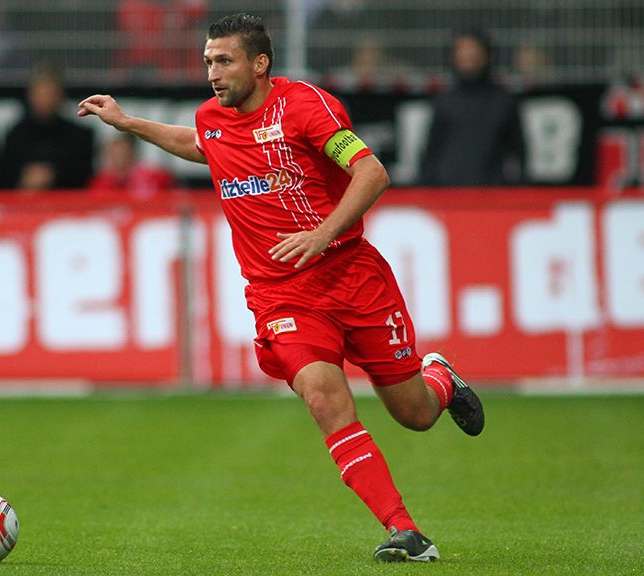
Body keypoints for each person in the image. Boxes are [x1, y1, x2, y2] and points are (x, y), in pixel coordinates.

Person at [78, 13, 484, 563]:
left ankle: (440, 379)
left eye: (224, 61)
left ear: (259, 63)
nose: (212, 73)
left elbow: (371, 172)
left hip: (352, 276)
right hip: (282, 296)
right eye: (207, 62)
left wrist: (322, 233)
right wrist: (129, 123)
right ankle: (405, 531)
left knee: (413, 413)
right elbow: (202, 145)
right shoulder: (213, 118)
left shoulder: (305, 108)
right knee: (323, 395)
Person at [420, 29, 523, 187]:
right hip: (448, 193)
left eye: (472, 50)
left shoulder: (503, 101)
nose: (467, 55)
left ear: (486, 54)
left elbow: (518, 152)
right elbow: (431, 151)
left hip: (493, 193)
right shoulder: (444, 100)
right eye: (462, 50)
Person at [0, 63, 93, 191]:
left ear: (60, 95)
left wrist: (52, 176)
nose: (45, 99)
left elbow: (85, 180)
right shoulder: (15, 134)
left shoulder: (79, 136)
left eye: (50, 93)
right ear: (30, 95)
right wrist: (24, 179)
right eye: (40, 93)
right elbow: (0, 178)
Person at [88, 133, 177, 199]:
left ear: (132, 151)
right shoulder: (101, 181)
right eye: (115, 153)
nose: (119, 156)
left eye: (123, 151)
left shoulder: (155, 176)